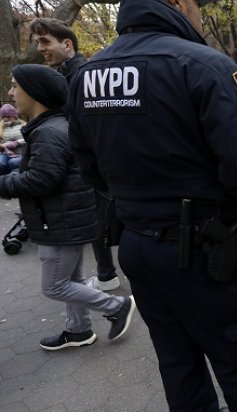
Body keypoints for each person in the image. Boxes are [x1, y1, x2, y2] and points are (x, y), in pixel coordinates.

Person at [66, 1, 237, 412]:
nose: (197, 14)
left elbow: (90, 169)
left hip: (139, 246)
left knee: (178, 362)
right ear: (177, 4)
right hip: (206, 250)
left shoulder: (87, 75)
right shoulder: (205, 66)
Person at [1, 64, 135, 351]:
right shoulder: (54, 126)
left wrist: (4, 182)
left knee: (54, 285)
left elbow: (40, 181)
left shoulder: (49, 132)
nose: (11, 93)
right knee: (71, 279)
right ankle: (78, 331)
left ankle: (117, 306)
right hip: (66, 220)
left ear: (35, 92)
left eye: (15, 86)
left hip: (59, 223)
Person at [30, 17, 121, 292]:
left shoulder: (78, 75)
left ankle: (109, 275)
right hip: (88, 162)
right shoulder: (68, 74)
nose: (40, 49)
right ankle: (106, 274)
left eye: (45, 41)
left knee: (100, 219)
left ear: (67, 44)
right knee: (98, 219)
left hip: (90, 163)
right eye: (38, 43)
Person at [0, 104, 25, 174]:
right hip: (5, 153)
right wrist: (3, 146)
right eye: (3, 117)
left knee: (13, 162)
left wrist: (16, 143)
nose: (5, 119)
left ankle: (16, 180)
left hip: (20, 153)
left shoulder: (23, 125)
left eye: (8, 116)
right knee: (0, 163)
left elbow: (29, 138)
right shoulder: (1, 127)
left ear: (14, 116)